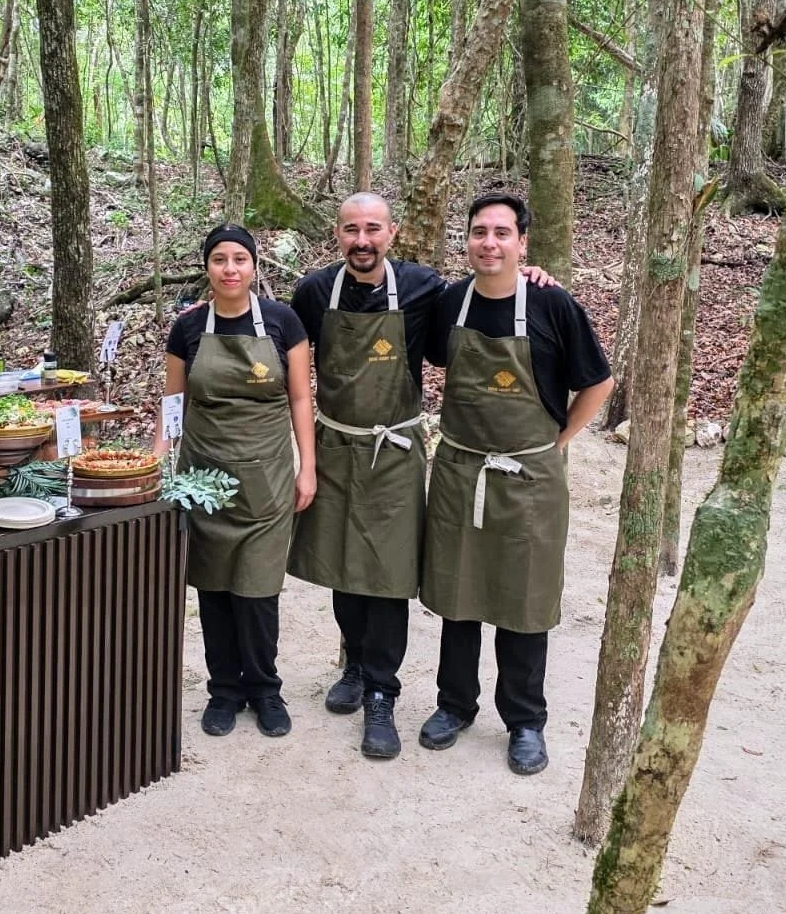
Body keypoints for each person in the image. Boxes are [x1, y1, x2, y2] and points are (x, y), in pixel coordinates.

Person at [288, 193, 555, 760]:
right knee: (342, 566)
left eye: (373, 229)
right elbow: (277, 342)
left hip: (396, 448)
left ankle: (382, 692)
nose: (362, 240)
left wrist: (531, 275)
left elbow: (490, 290)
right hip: (337, 445)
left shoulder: (424, 289)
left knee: (388, 573)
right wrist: (208, 307)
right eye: (351, 230)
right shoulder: (314, 292)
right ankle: (355, 665)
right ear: (337, 234)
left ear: (393, 233)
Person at [418, 193, 613, 775]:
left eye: (502, 233)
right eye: (479, 232)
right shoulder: (451, 302)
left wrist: (560, 441)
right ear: (467, 240)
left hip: (530, 475)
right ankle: (454, 705)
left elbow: (598, 382)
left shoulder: (553, 304)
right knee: (458, 594)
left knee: (525, 599)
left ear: (522, 243)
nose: (490, 243)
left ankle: (525, 721)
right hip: (461, 471)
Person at [154, 224, 317, 738]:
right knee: (214, 588)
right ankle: (224, 690)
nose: (230, 269)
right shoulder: (187, 328)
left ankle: (265, 690)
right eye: (220, 259)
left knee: (258, 591)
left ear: (254, 266)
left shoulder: (283, 321)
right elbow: (173, 403)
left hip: (266, 478)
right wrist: (155, 463)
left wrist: (307, 466)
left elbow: (299, 398)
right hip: (203, 478)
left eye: (239, 259)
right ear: (207, 267)